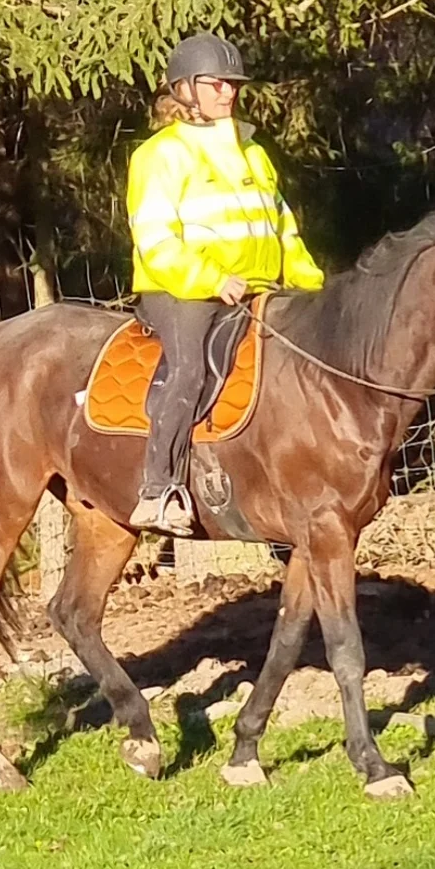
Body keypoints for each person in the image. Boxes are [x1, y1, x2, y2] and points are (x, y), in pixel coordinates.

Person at [125, 32, 324, 536]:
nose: (228, 92)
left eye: (232, 84)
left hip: (258, 286)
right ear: (185, 88)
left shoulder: (253, 152)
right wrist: (212, 279)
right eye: (216, 84)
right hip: (181, 290)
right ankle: (158, 489)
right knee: (190, 369)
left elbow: (282, 228)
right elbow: (155, 239)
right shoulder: (159, 155)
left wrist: (310, 284)